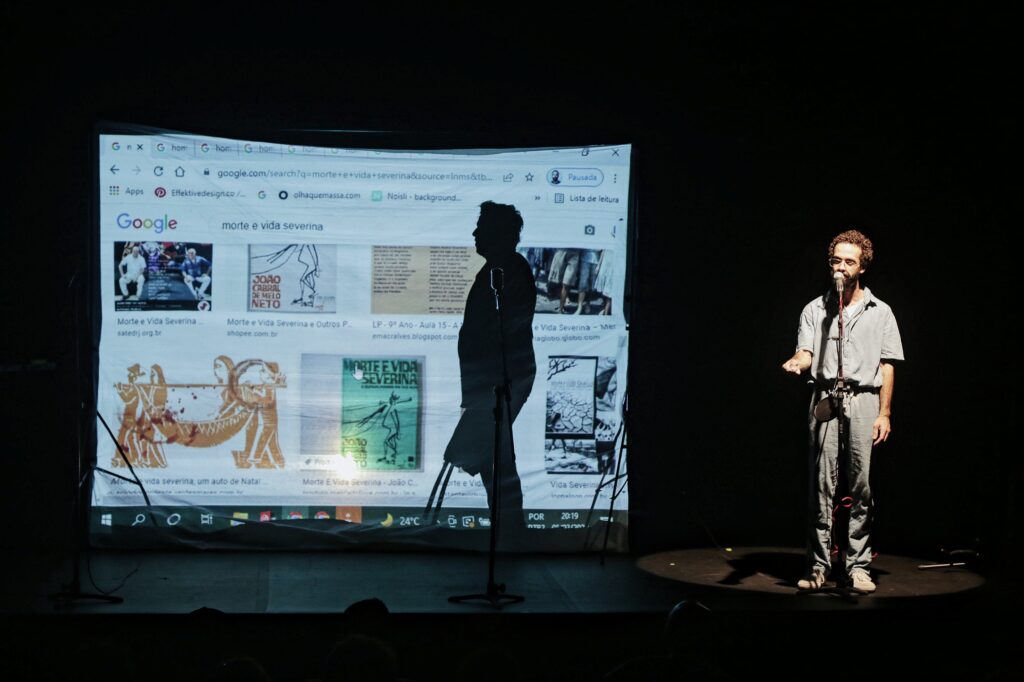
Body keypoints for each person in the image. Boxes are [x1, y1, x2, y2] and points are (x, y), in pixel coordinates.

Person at [781, 229, 904, 594]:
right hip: (824, 398)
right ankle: (818, 567)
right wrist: (797, 362)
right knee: (821, 486)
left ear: (862, 267)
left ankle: (857, 566)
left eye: (849, 261)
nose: (841, 267)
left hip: (864, 399)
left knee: (861, 486)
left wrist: (885, 413)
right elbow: (805, 352)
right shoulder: (814, 309)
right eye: (836, 260)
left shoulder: (880, 312)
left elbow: (888, 365)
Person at [444, 201, 536, 538]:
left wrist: (484, 389)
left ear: (498, 234)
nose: (475, 233)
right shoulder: (498, 270)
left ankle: (509, 529)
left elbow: (499, 333)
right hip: (491, 381)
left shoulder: (508, 272)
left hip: (499, 381)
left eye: (481, 228)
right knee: (491, 455)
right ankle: (508, 528)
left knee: (493, 455)